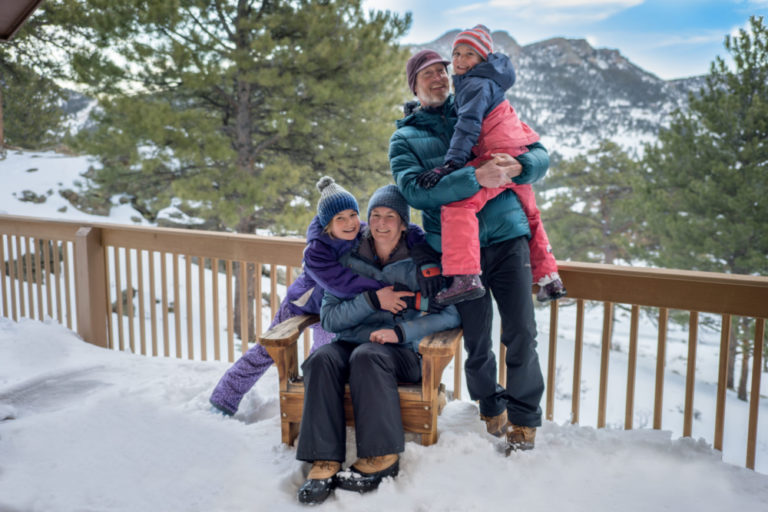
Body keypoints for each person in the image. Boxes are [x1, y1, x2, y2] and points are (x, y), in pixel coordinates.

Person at [389, 48, 547, 455]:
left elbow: (537, 151)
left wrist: (522, 167)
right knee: (477, 340)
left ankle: (524, 419)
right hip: (458, 253)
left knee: (522, 332)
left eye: (442, 71)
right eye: (427, 74)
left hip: (507, 239)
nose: (439, 78)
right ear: (414, 86)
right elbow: (415, 191)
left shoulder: (482, 103)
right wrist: (475, 176)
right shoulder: (404, 138)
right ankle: (490, 404)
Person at [209, 176, 441, 416]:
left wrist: (424, 253)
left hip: (334, 310)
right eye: (340, 218)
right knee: (266, 352)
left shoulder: (359, 232)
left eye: (353, 215)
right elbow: (342, 285)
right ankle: (223, 399)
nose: (349, 223)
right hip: (303, 305)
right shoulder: (317, 251)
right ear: (328, 223)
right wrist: (382, 290)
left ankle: (316, 406)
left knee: (323, 356)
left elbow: (408, 230)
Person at [295, 185, 460, 505]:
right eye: (375, 215)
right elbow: (329, 318)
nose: (381, 223)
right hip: (351, 342)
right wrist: (371, 301)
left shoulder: (421, 262)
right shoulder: (347, 258)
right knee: (321, 359)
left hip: (402, 351)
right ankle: (324, 460)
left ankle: (381, 457)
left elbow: (450, 314)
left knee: (367, 356)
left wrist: (401, 331)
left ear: (403, 223)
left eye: (390, 216)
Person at [414, 25, 566, 305]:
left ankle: (465, 277)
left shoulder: (475, 84)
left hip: (497, 154)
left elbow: (468, 126)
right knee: (532, 215)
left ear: (483, 59)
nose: (460, 60)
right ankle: (550, 278)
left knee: (458, 205)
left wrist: (451, 165)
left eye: (469, 54)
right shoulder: (490, 82)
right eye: (456, 53)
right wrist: (518, 160)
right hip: (513, 150)